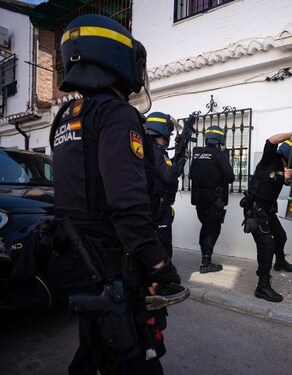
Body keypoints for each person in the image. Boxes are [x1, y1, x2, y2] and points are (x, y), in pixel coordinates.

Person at [49, 14, 180, 374]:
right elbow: (127, 201)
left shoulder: (67, 116)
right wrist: (158, 263)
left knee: (93, 352)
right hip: (115, 267)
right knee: (132, 356)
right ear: (117, 58)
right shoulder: (116, 113)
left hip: (84, 263)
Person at [241, 130, 292, 302]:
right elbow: (271, 140)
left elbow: (285, 181)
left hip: (267, 209)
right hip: (255, 208)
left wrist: (287, 177)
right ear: (290, 154)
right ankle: (262, 286)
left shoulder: (286, 167)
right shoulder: (270, 158)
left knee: (280, 236)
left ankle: (280, 262)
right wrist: (290, 134)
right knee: (267, 245)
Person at [189, 125, 235, 273]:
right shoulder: (219, 155)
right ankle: (206, 263)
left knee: (205, 226)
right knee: (213, 228)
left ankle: (204, 256)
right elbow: (230, 177)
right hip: (214, 200)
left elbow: (191, 175)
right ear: (220, 139)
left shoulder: (197, 154)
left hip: (199, 199)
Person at [145, 112, 187, 258]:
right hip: (158, 211)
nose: (169, 137)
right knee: (163, 248)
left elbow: (165, 168)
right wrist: (181, 161)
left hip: (157, 207)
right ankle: (163, 277)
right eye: (168, 133)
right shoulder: (155, 151)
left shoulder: (152, 150)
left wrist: (178, 157)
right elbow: (169, 175)